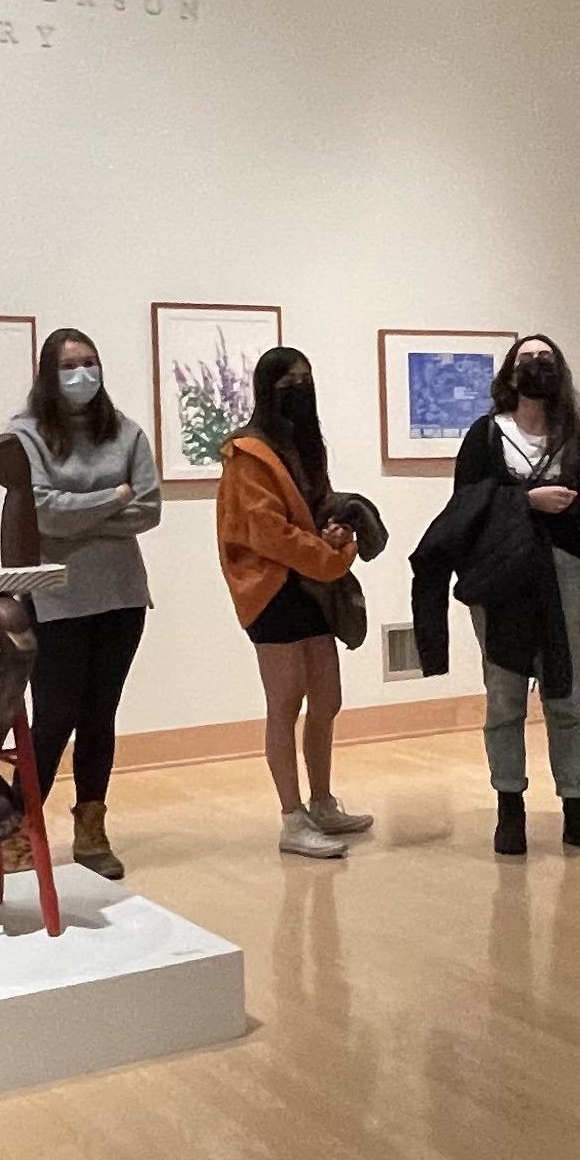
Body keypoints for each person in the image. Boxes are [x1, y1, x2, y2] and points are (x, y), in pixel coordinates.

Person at [452, 333, 580, 858]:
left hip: (567, 576)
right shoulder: (484, 436)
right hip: (502, 581)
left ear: (560, 371)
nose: (536, 365)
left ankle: (577, 807)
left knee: (565, 696)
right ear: (509, 373)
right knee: (504, 695)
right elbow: (466, 507)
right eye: (526, 358)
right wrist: (527, 500)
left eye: (546, 358)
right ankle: (510, 808)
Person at [6, 328, 161, 879]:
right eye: (69, 365)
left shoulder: (127, 432)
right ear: (49, 373)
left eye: (90, 362)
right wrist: (112, 498)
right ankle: (19, 827)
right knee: (54, 716)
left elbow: (149, 509)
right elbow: (43, 512)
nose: (81, 374)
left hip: (121, 595)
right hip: (56, 596)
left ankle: (91, 829)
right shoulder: (25, 434)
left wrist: (84, 514)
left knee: (100, 715)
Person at [217, 346, 373, 859]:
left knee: (326, 699)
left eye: (306, 378)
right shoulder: (248, 452)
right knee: (284, 703)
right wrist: (330, 560)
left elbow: (315, 507)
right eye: (288, 380)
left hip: (309, 586)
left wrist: (337, 530)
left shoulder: (306, 445)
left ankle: (323, 801)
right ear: (267, 388)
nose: (299, 388)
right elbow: (269, 532)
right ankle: (292, 818)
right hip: (272, 589)